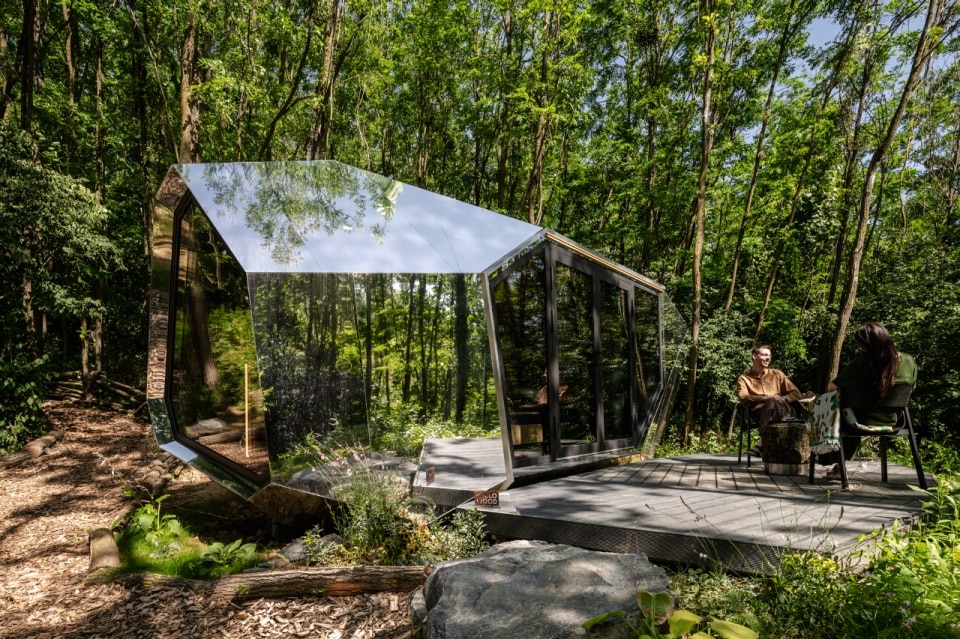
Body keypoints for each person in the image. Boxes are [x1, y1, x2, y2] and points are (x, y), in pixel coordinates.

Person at [818, 322, 917, 478]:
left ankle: (834, 462)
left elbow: (831, 387)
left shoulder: (864, 362)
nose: (860, 348)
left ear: (868, 345)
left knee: (833, 410)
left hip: (859, 421)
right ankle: (839, 466)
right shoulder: (909, 361)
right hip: (893, 421)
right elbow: (911, 388)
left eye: (861, 344)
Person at [736, 345, 802, 456]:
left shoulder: (777, 374)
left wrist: (782, 399)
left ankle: (762, 443)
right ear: (754, 356)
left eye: (769, 356)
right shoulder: (744, 378)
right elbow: (743, 397)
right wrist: (767, 398)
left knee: (775, 401)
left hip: (781, 409)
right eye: (764, 355)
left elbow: (796, 393)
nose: (768, 358)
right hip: (757, 413)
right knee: (773, 400)